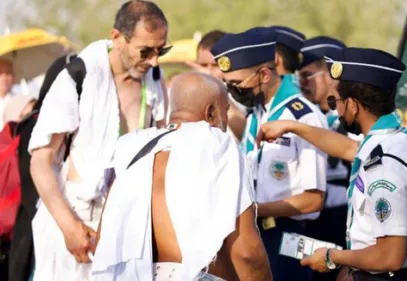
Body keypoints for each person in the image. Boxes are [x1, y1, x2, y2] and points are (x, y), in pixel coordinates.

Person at [262, 48, 407, 281]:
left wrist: (335, 257)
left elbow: (389, 256)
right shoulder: (398, 138)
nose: (335, 109)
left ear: (352, 105)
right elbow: (348, 149)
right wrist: (294, 127)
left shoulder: (383, 167)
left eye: (335, 101)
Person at [28, 1, 168, 280]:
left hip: (127, 227)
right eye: (145, 51)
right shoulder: (78, 75)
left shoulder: (154, 79)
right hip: (75, 219)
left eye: (161, 50)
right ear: (117, 38)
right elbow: (40, 161)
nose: (154, 60)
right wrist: (69, 227)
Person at [92, 72, 272, 281]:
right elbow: (246, 252)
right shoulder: (217, 145)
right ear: (211, 112)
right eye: (226, 110)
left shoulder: (131, 146)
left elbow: (103, 242)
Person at [211, 27, 327, 281]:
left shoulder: (303, 117)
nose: (233, 91)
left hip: (288, 237)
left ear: (264, 74)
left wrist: (251, 210)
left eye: (237, 84)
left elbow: (313, 199)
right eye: (228, 84)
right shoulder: (257, 114)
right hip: (253, 233)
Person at [8, 54, 78, 281]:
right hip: (37, 236)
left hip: (36, 231)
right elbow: (33, 187)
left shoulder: (38, 122)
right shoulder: (40, 126)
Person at [298, 36, 350, 281]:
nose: (302, 83)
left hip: (341, 221)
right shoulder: (306, 114)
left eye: (307, 75)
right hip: (311, 225)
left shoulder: (353, 116)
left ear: (331, 73)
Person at [185, 30, 247, 142]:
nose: (208, 71)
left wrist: (217, 90)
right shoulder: (189, 92)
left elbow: (245, 135)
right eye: (203, 65)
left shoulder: (243, 92)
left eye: (215, 65)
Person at [0, 60, 16, 129]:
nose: (4, 78)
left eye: (8, 73)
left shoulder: (21, 102)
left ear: (14, 77)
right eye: (0, 73)